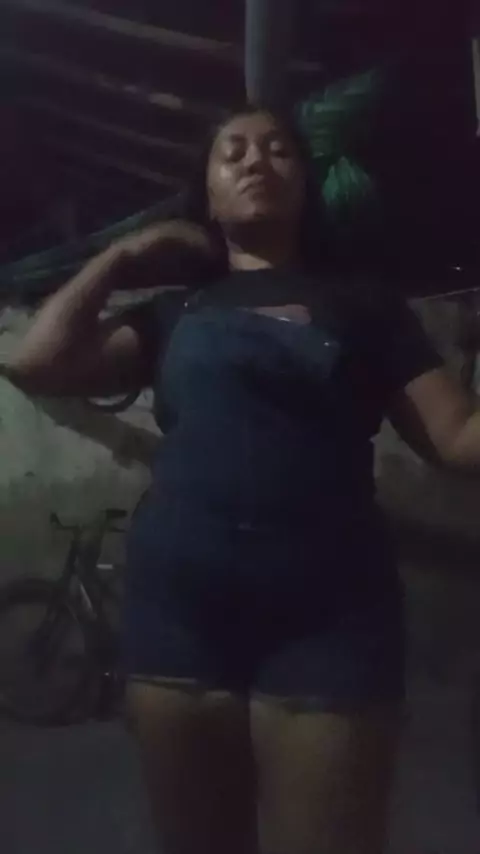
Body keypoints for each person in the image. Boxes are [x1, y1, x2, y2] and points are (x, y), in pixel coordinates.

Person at [5, 107, 480, 854]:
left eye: (278, 150)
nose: (256, 161)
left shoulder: (363, 304)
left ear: (306, 184)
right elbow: (37, 363)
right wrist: (122, 256)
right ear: (207, 194)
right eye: (234, 153)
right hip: (179, 621)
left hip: (329, 618)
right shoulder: (171, 313)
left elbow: (457, 438)